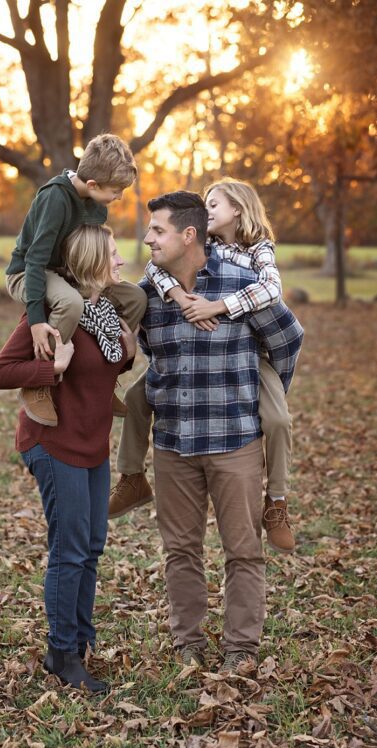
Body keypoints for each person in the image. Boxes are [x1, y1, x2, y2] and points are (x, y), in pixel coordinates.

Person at [133, 191, 303, 672]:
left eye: (158, 231)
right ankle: (188, 644)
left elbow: (288, 339)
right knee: (180, 551)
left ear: (189, 235)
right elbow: (147, 350)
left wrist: (263, 391)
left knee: (243, 550)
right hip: (173, 446)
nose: (148, 239)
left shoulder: (242, 283)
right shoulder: (150, 294)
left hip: (236, 444)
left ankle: (241, 649)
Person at [110, 179, 296, 553]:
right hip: (181, 376)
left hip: (251, 363)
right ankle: (131, 477)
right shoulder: (196, 251)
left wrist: (219, 308)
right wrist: (179, 296)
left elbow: (276, 305)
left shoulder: (257, 252)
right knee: (134, 396)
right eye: (205, 205)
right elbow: (156, 272)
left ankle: (276, 501)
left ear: (239, 209)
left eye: (214, 204)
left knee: (277, 419)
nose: (207, 209)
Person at [0, 224, 137, 694]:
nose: (120, 262)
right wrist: (50, 368)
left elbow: (103, 364)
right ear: (92, 260)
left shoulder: (106, 313)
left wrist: (129, 356)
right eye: (113, 254)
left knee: (91, 546)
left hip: (92, 443)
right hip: (54, 443)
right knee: (70, 550)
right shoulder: (54, 314)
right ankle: (61, 653)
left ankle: (80, 638)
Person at [4, 133, 147, 427]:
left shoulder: (97, 205)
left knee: (136, 298)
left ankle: (104, 379)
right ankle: (40, 382)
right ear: (93, 184)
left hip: (67, 274)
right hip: (28, 272)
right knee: (70, 302)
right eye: (116, 190)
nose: (119, 196)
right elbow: (34, 259)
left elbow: (89, 253)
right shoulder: (55, 198)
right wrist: (35, 321)